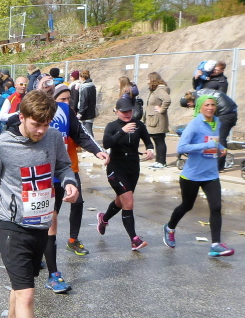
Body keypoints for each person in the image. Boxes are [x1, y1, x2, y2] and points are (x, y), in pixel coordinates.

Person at [0, 90, 78, 318]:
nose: (41, 131)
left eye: (46, 125)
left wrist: (70, 183)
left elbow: (64, 166)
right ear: (21, 117)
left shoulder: (53, 138)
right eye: (36, 124)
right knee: (27, 294)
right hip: (12, 226)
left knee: (20, 285)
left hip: (41, 224)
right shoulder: (0, 145)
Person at [34, 83, 107, 292]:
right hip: (39, 175)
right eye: (62, 98)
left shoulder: (66, 112)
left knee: (53, 219)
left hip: (62, 172)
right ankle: (45, 264)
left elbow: (80, 134)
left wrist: (97, 151)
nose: (66, 102)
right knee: (45, 221)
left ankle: (53, 270)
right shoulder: (33, 111)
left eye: (68, 99)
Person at [163, 95, 234, 257]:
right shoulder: (195, 124)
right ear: (200, 107)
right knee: (187, 206)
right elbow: (181, 147)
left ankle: (215, 245)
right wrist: (206, 145)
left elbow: (213, 141)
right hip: (192, 175)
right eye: (207, 105)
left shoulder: (217, 122)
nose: (210, 108)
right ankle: (169, 227)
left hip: (211, 174)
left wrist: (220, 147)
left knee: (216, 207)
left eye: (213, 105)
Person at [97, 99, 154, 251]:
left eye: (129, 110)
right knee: (128, 202)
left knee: (121, 201)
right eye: (123, 111)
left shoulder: (139, 125)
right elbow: (107, 143)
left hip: (133, 168)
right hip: (116, 168)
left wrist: (150, 150)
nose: (127, 114)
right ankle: (134, 239)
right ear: (116, 111)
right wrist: (122, 131)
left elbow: (148, 141)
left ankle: (104, 218)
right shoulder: (112, 126)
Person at [145, 72, 171, 169]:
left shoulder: (160, 90)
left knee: (159, 140)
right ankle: (158, 161)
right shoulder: (155, 90)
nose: (147, 81)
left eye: (148, 79)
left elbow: (167, 100)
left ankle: (162, 162)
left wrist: (161, 109)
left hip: (158, 120)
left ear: (152, 79)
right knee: (157, 140)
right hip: (154, 120)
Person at [76, 70, 97, 137]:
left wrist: (80, 113)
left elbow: (84, 101)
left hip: (86, 113)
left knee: (88, 131)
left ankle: (92, 143)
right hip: (91, 110)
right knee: (88, 129)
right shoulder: (92, 86)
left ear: (82, 78)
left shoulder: (85, 88)